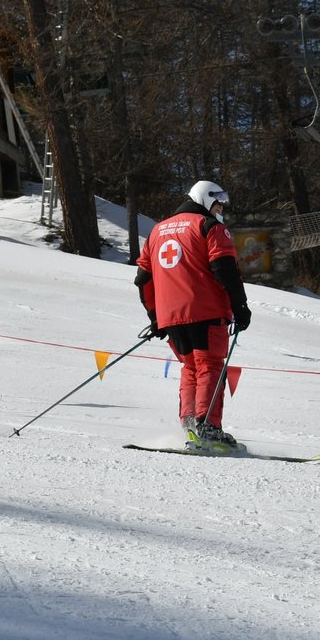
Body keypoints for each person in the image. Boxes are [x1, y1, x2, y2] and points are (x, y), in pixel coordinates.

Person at [135, 179, 252, 449]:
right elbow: (225, 268)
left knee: (191, 368)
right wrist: (240, 307)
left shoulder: (156, 231)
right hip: (205, 310)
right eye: (218, 203)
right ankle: (208, 429)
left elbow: (143, 279)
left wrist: (155, 317)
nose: (220, 209)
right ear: (206, 199)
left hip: (170, 316)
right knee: (210, 366)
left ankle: (190, 426)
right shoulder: (209, 227)